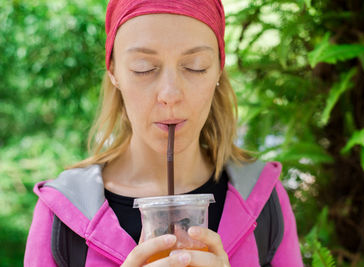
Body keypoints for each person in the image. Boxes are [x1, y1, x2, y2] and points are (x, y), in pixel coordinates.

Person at [24, 0, 303, 266]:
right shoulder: (62, 213)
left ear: (219, 68)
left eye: (196, 66)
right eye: (143, 69)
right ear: (114, 72)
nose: (170, 94)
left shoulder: (264, 199)